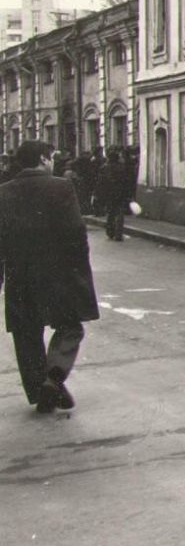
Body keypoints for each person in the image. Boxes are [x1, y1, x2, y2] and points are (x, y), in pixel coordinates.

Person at [0, 139, 99, 413]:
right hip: (58, 274)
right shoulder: (61, 187)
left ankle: (38, 389)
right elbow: (75, 233)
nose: (53, 161)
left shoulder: (3, 193)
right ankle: (54, 377)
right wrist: (79, 272)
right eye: (51, 157)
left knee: (25, 333)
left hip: (19, 276)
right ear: (44, 159)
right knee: (70, 326)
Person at [96, 148, 132, 241]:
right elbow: (126, 181)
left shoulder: (104, 168)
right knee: (119, 213)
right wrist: (127, 193)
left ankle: (110, 232)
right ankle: (118, 233)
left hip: (108, 194)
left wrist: (99, 194)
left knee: (110, 213)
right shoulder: (121, 168)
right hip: (120, 193)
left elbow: (100, 182)